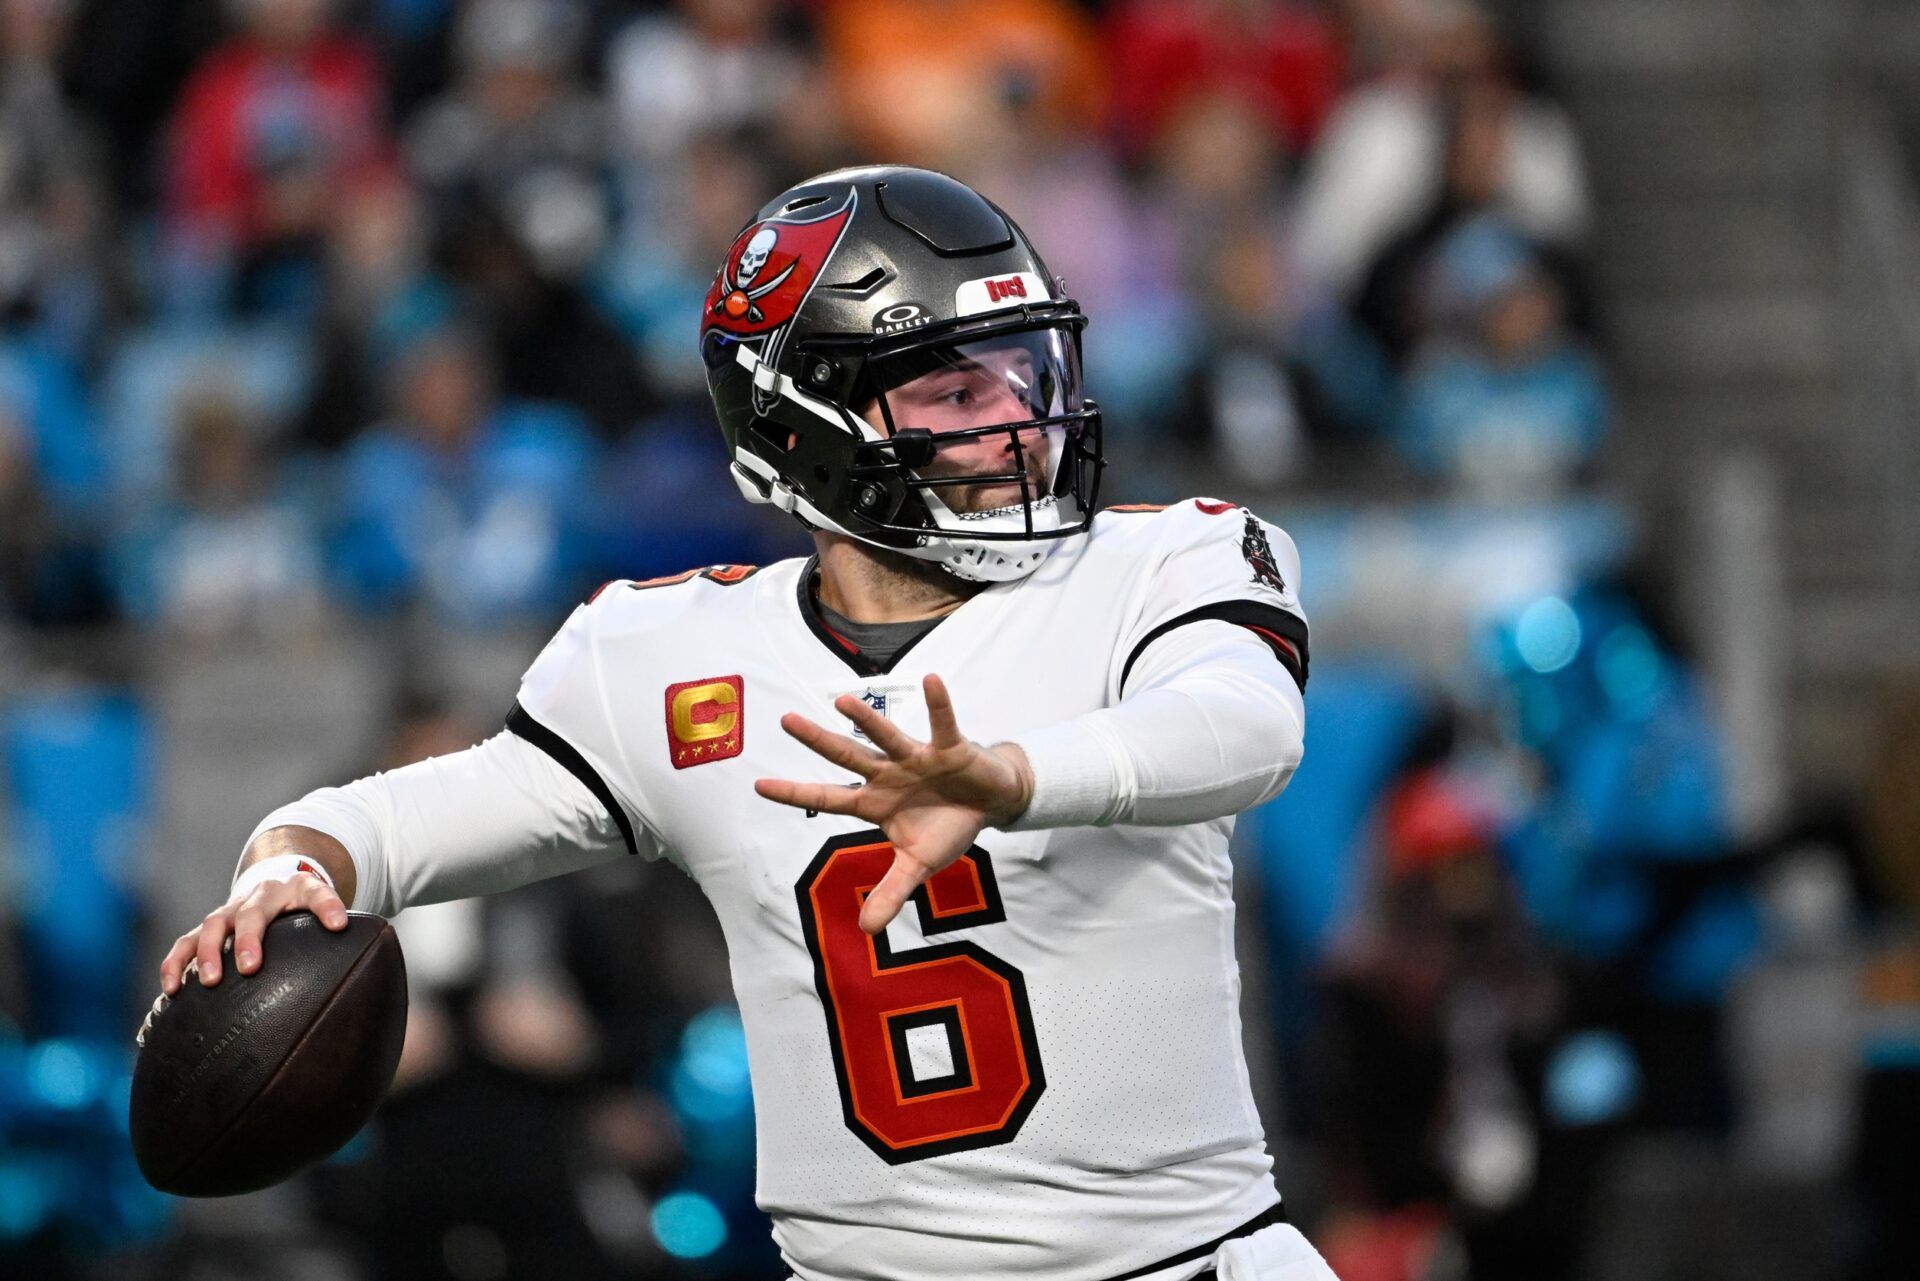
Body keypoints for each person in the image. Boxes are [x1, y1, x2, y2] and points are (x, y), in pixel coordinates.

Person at [156, 166, 1335, 1281]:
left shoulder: (1157, 558)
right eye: (954, 385)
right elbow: (408, 818)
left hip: (1188, 1261)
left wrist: (1014, 777)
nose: (1019, 421)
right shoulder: (670, 660)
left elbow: (1243, 727)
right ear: (797, 426)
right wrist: (291, 864)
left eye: (1028, 371)